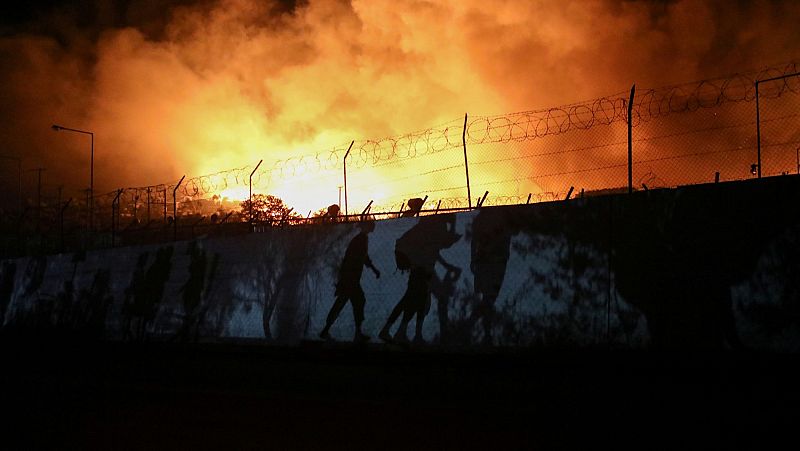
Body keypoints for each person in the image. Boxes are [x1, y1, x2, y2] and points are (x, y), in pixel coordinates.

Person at [320, 220, 381, 342]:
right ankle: (330, 331)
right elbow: (360, 257)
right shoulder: (360, 239)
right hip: (350, 278)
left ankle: (330, 331)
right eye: (370, 225)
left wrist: (373, 269)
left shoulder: (361, 239)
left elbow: (363, 257)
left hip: (350, 277)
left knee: (351, 302)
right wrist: (373, 269)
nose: (373, 227)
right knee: (349, 302)